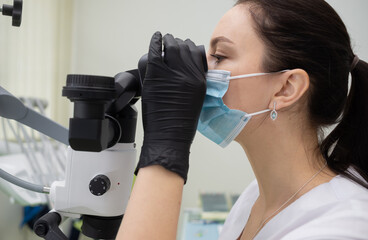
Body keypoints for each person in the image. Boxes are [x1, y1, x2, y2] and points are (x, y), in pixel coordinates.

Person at [117, 0, 368, 239]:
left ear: (287, 89)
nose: (200, 73)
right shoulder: (254, 197)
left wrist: (166, 144)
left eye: (220, 56)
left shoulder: (342, 225)